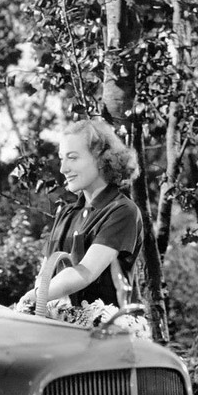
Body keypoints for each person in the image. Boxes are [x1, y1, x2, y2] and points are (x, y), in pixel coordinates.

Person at [19, 118, 143, 312]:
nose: (63, 169)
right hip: (63, 329)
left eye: (73, 157)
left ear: (102, 159)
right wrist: (34, 299)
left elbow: (85, 273)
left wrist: (33, 298)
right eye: (62, 158)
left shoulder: (122, 211)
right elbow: (45, 274)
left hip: (107, 333)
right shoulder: (67, 213)